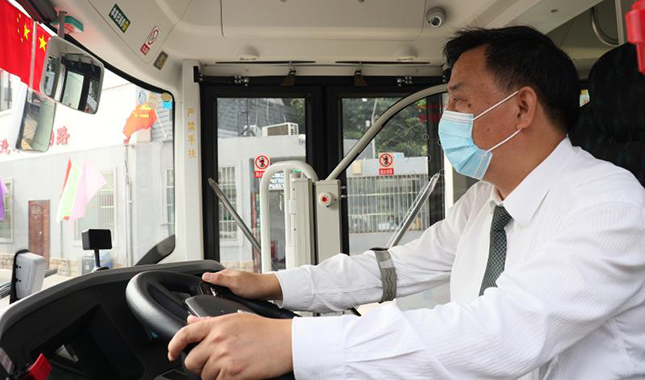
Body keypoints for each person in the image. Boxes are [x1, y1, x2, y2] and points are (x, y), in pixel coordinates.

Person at [168, 26, 645, 379]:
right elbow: (392, 269)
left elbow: (503, 333)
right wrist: (274, 284)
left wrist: (294, 344)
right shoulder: (485, 201)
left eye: (459, 102)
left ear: (521, 108)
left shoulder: (609, 205)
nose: (446, 117)